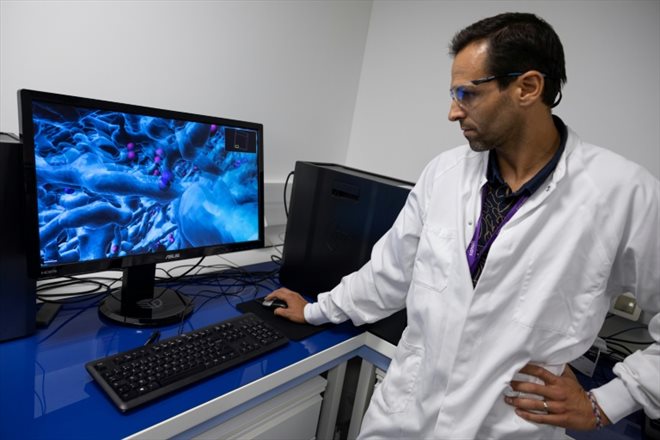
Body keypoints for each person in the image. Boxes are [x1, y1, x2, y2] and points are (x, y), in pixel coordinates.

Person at [266, 12, 660, 439]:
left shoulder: (624, 194)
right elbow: (388, 275)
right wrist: (316, 310)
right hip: (404, 418)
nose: (453, 112)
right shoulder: (445, 174)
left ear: (527, 87)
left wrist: (607, 403)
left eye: (467, 94)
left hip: (508, 428)